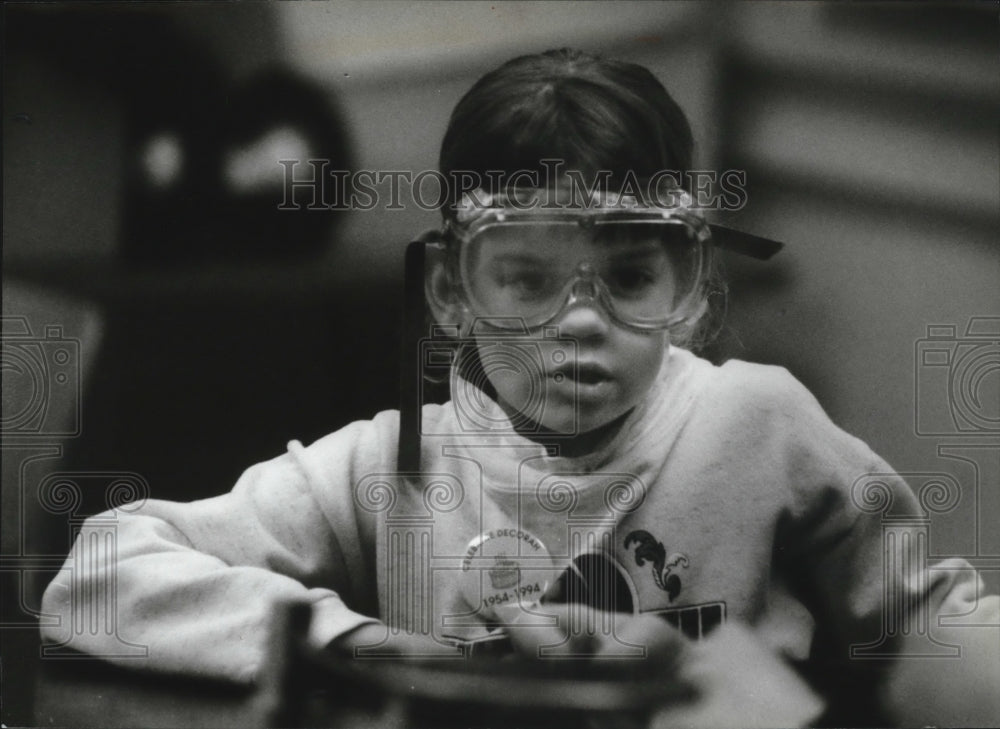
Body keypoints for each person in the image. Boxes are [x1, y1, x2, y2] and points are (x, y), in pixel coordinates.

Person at [41, 49, 998, 726]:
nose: (581, 318)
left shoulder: (762, 423)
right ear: (454, 292)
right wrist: (359, 645)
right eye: (528, 277)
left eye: (628, 276)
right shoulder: (393, 466)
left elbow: (938, 634)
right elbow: (94, 579)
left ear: (691, 287)